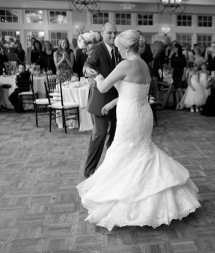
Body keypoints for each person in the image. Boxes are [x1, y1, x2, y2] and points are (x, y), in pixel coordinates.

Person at [76, 29, 200, 231]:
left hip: (130, 117)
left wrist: (96, 75)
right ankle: (147, 195)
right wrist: (113, 103)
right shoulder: (142, 64)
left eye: (118, 47)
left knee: (123, 153)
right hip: (142, 114)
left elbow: (104, 87)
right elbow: (132, 92)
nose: (118, 51)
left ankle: (128, 200)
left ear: (125, 47)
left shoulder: (125, 64)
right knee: (140, 152)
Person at [82, 23, 120, 178]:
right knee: (100, 134)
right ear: (102, 33)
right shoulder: (97, 49)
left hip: (117, 99)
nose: (112, 36)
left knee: (115, 136)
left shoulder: (119, 49)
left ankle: (110, 168)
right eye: (109, 33)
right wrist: (87, 70)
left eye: (115, 33)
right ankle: (89, 171)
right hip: (101, 98)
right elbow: (89, 62)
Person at [169, 44, 187, 109]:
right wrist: (171, 55)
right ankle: (177, 103)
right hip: (175, 73)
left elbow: (185, 66)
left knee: (180, 89)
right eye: (174, 48)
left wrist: (184, 75)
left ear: (178, 48)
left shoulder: (182, 56)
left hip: (181, 73)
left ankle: (182, 103)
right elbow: (171, 66)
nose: (174, 49)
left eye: (175, 48)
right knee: (176, 89)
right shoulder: (173, 56)